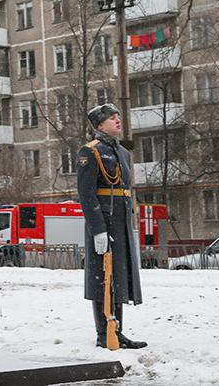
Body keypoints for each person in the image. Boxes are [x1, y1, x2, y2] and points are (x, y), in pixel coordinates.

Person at [77, 104, 147, 350]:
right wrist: (97, 228)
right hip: (104, 222)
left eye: (118, 116)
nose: (118, 120)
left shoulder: (122, 152)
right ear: (99, 125)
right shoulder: (90, 151)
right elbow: (86, 194)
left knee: (118, 278)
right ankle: (103, 332)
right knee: (101, 278)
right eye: (111, 118)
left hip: (120, 223)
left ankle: (116, 331)